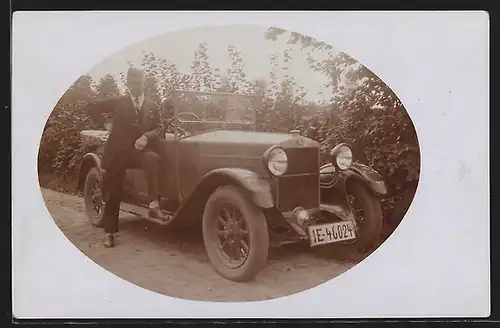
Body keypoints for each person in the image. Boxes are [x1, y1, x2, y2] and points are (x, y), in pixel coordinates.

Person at [86, 67, 165, 248]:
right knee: (114, 189)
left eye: (138, 82)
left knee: (152, 159)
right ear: (127, 83)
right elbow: (91, 107)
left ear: (143, 82)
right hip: (118, 153)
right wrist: (104, 123)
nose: (135, 86)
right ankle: (109, 232)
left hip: (139, 152)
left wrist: (146, 137)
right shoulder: (119, 102)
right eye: (131, 83)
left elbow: (160, 128)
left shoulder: (152, 106)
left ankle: (154, 205)